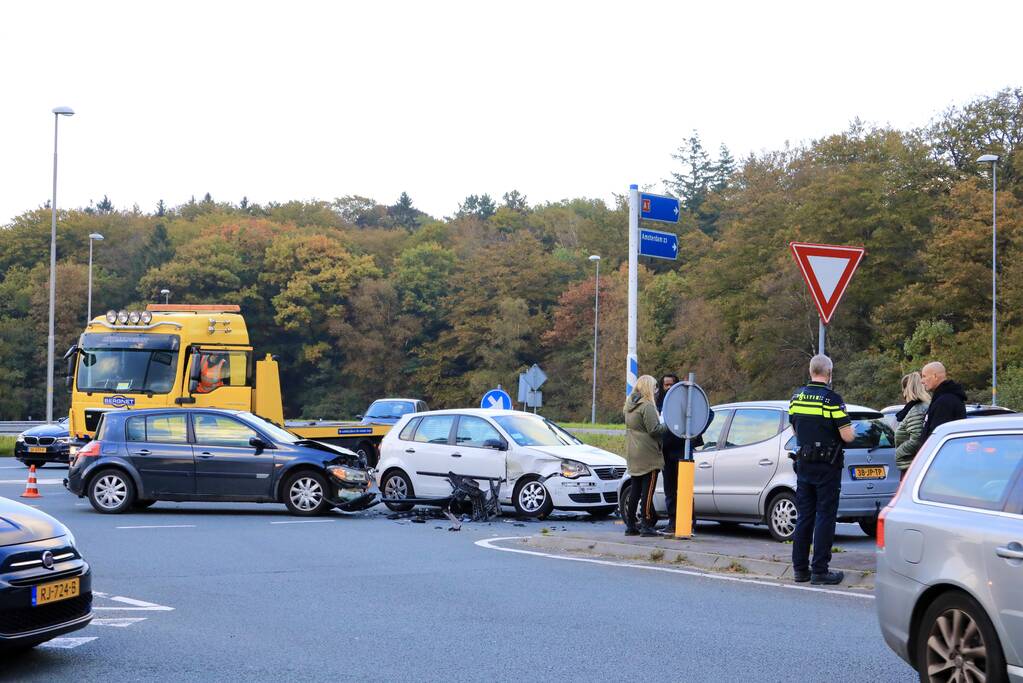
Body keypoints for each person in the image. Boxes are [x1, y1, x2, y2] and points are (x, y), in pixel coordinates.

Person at [788, 354, 854, 585]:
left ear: (810, 371)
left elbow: (795, 428)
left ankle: (799, 569)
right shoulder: (832, 400)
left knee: (804, 515)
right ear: (829, 373)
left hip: (804, 463)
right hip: (827, 465)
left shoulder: (797, 397)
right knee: (825, 515)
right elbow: (847, 434)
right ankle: (820, 570)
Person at [623, 375, 665, 537]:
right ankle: (647, 524)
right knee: (648, 491)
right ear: (649, 388)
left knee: (635, 489)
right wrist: (669, 426)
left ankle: (631, 524)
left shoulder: (629, 405)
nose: (656, 391)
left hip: (633, 451)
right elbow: (654, 430)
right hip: (648, 454)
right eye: (655, 387)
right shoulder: (646, 406)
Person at [656, 374, 683, 535]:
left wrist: (693, 435)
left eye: (671, 384)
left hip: (681, 450)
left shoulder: (684, 402)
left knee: (684, 490)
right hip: (666, 452)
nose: (668, 388)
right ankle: (672, 522)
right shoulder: (659, 403)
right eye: (665, 385)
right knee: (670, 490)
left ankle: (687, 522)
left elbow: (708, 414)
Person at [894, 372, 930, 474]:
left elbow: (916, 438)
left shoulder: (916, 410)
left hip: (911, 465)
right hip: (912, 463)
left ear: (907, 389)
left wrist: (898, 453)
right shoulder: (917, 408)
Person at [920, 361, 966, 440]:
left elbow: (937, 436)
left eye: (924, 376)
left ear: (935, 376)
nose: (922, 381)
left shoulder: (945, 403)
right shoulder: (943, 399)